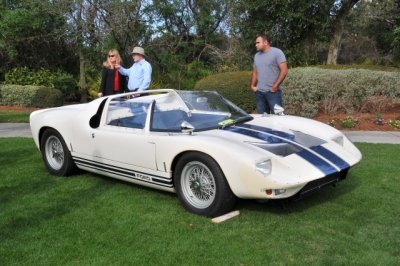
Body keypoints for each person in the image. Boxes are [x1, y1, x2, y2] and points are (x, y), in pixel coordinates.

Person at [251, 34, 288, 114]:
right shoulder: (256, 56)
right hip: (259, 93)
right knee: (263, 119)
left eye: (258, 42)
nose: (256, 45)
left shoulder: (277, 52)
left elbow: (284, 71)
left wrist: (275, 86)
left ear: (265, 42)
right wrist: (253, 85)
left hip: (273, 93)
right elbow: (255, 72)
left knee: (279, 118)